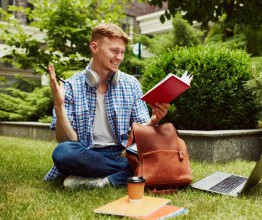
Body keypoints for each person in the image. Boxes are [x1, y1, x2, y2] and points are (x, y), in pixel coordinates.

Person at [44, 23, 170, 189]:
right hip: (88, 154)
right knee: (63, 152)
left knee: (157, 150)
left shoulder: (131, 84)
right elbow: (66, 140)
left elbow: (140, 130)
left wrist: (154, 120)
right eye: (114, 51)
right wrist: (59, 105)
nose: (119, 57)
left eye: (122, 52)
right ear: (94, 47)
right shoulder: (71, 86)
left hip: (123, 153)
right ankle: (132, 172)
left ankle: (101, 181)